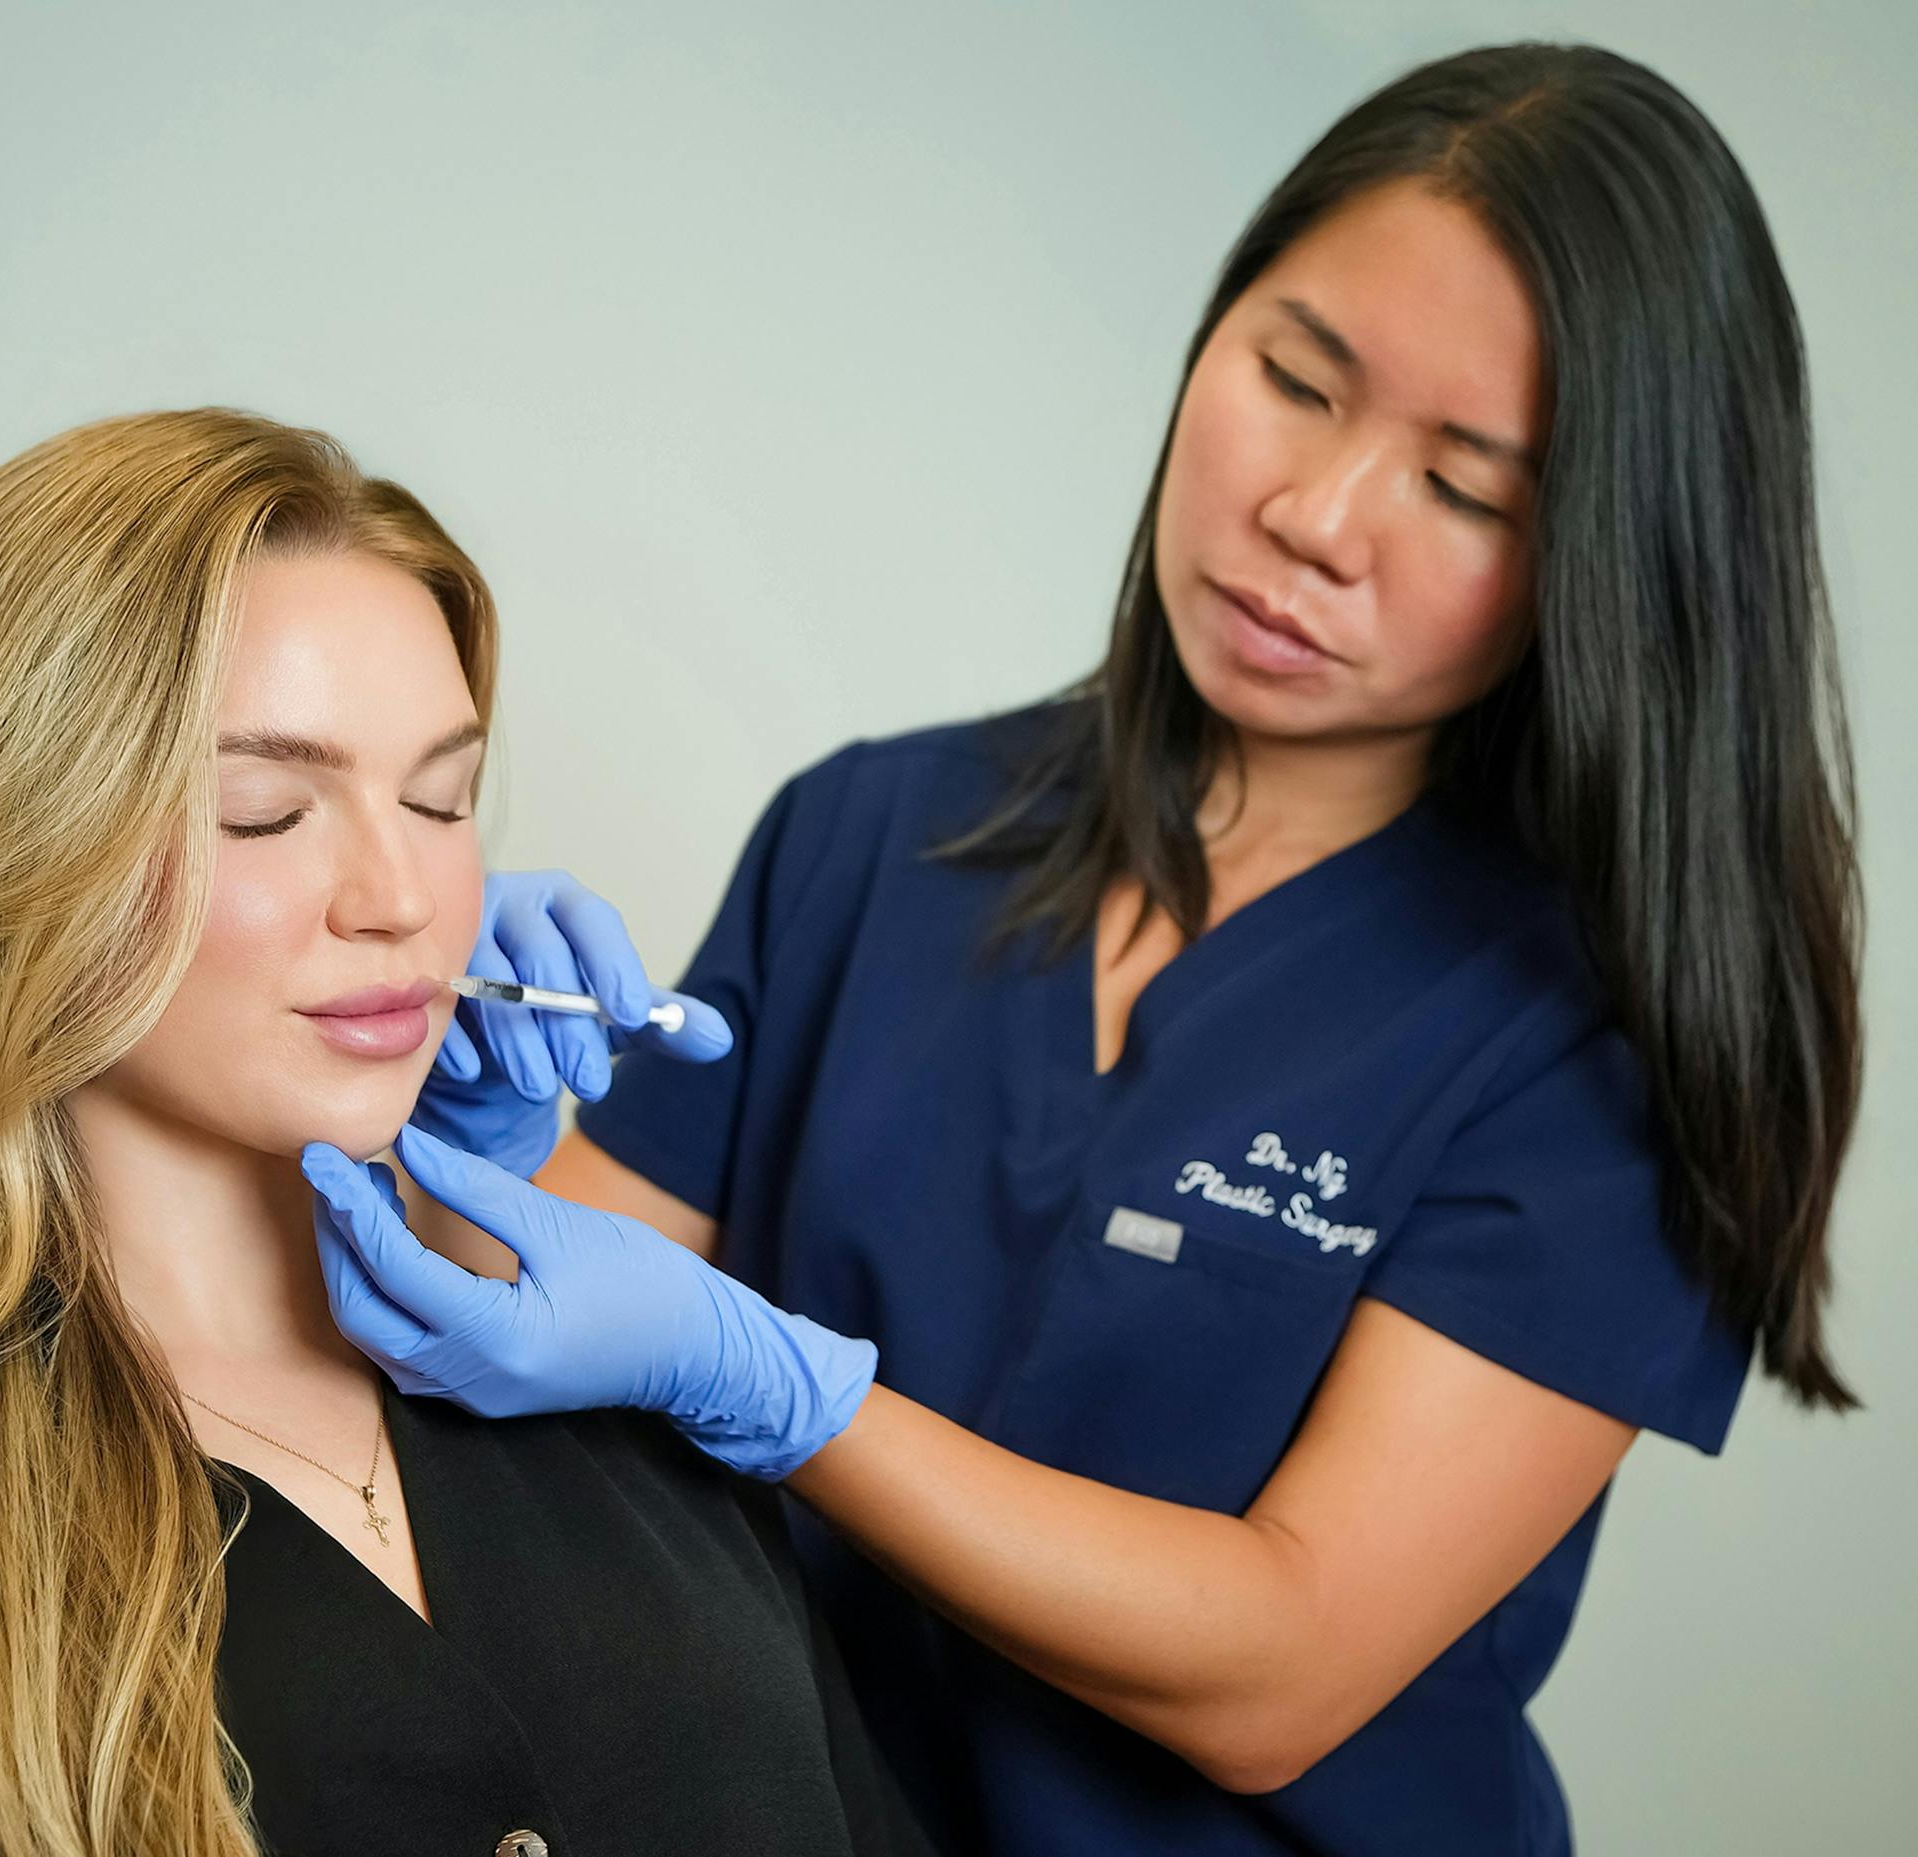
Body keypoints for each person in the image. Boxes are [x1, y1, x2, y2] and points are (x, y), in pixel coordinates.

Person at [306, 40, 1866, 1856]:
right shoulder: (874, 835)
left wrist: (774, 1385)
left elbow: (1282, 1663)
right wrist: (436, 1127)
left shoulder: (1598, 1044)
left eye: (1466, 490)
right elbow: (489, 1338)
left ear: (1606, 559)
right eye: (1296, 377)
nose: (1318, 517)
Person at [0, 409, 933, 1857]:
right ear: (7, 851)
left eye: (442, 797)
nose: (401, 894)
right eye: (266, 810)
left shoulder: (631, 1427)